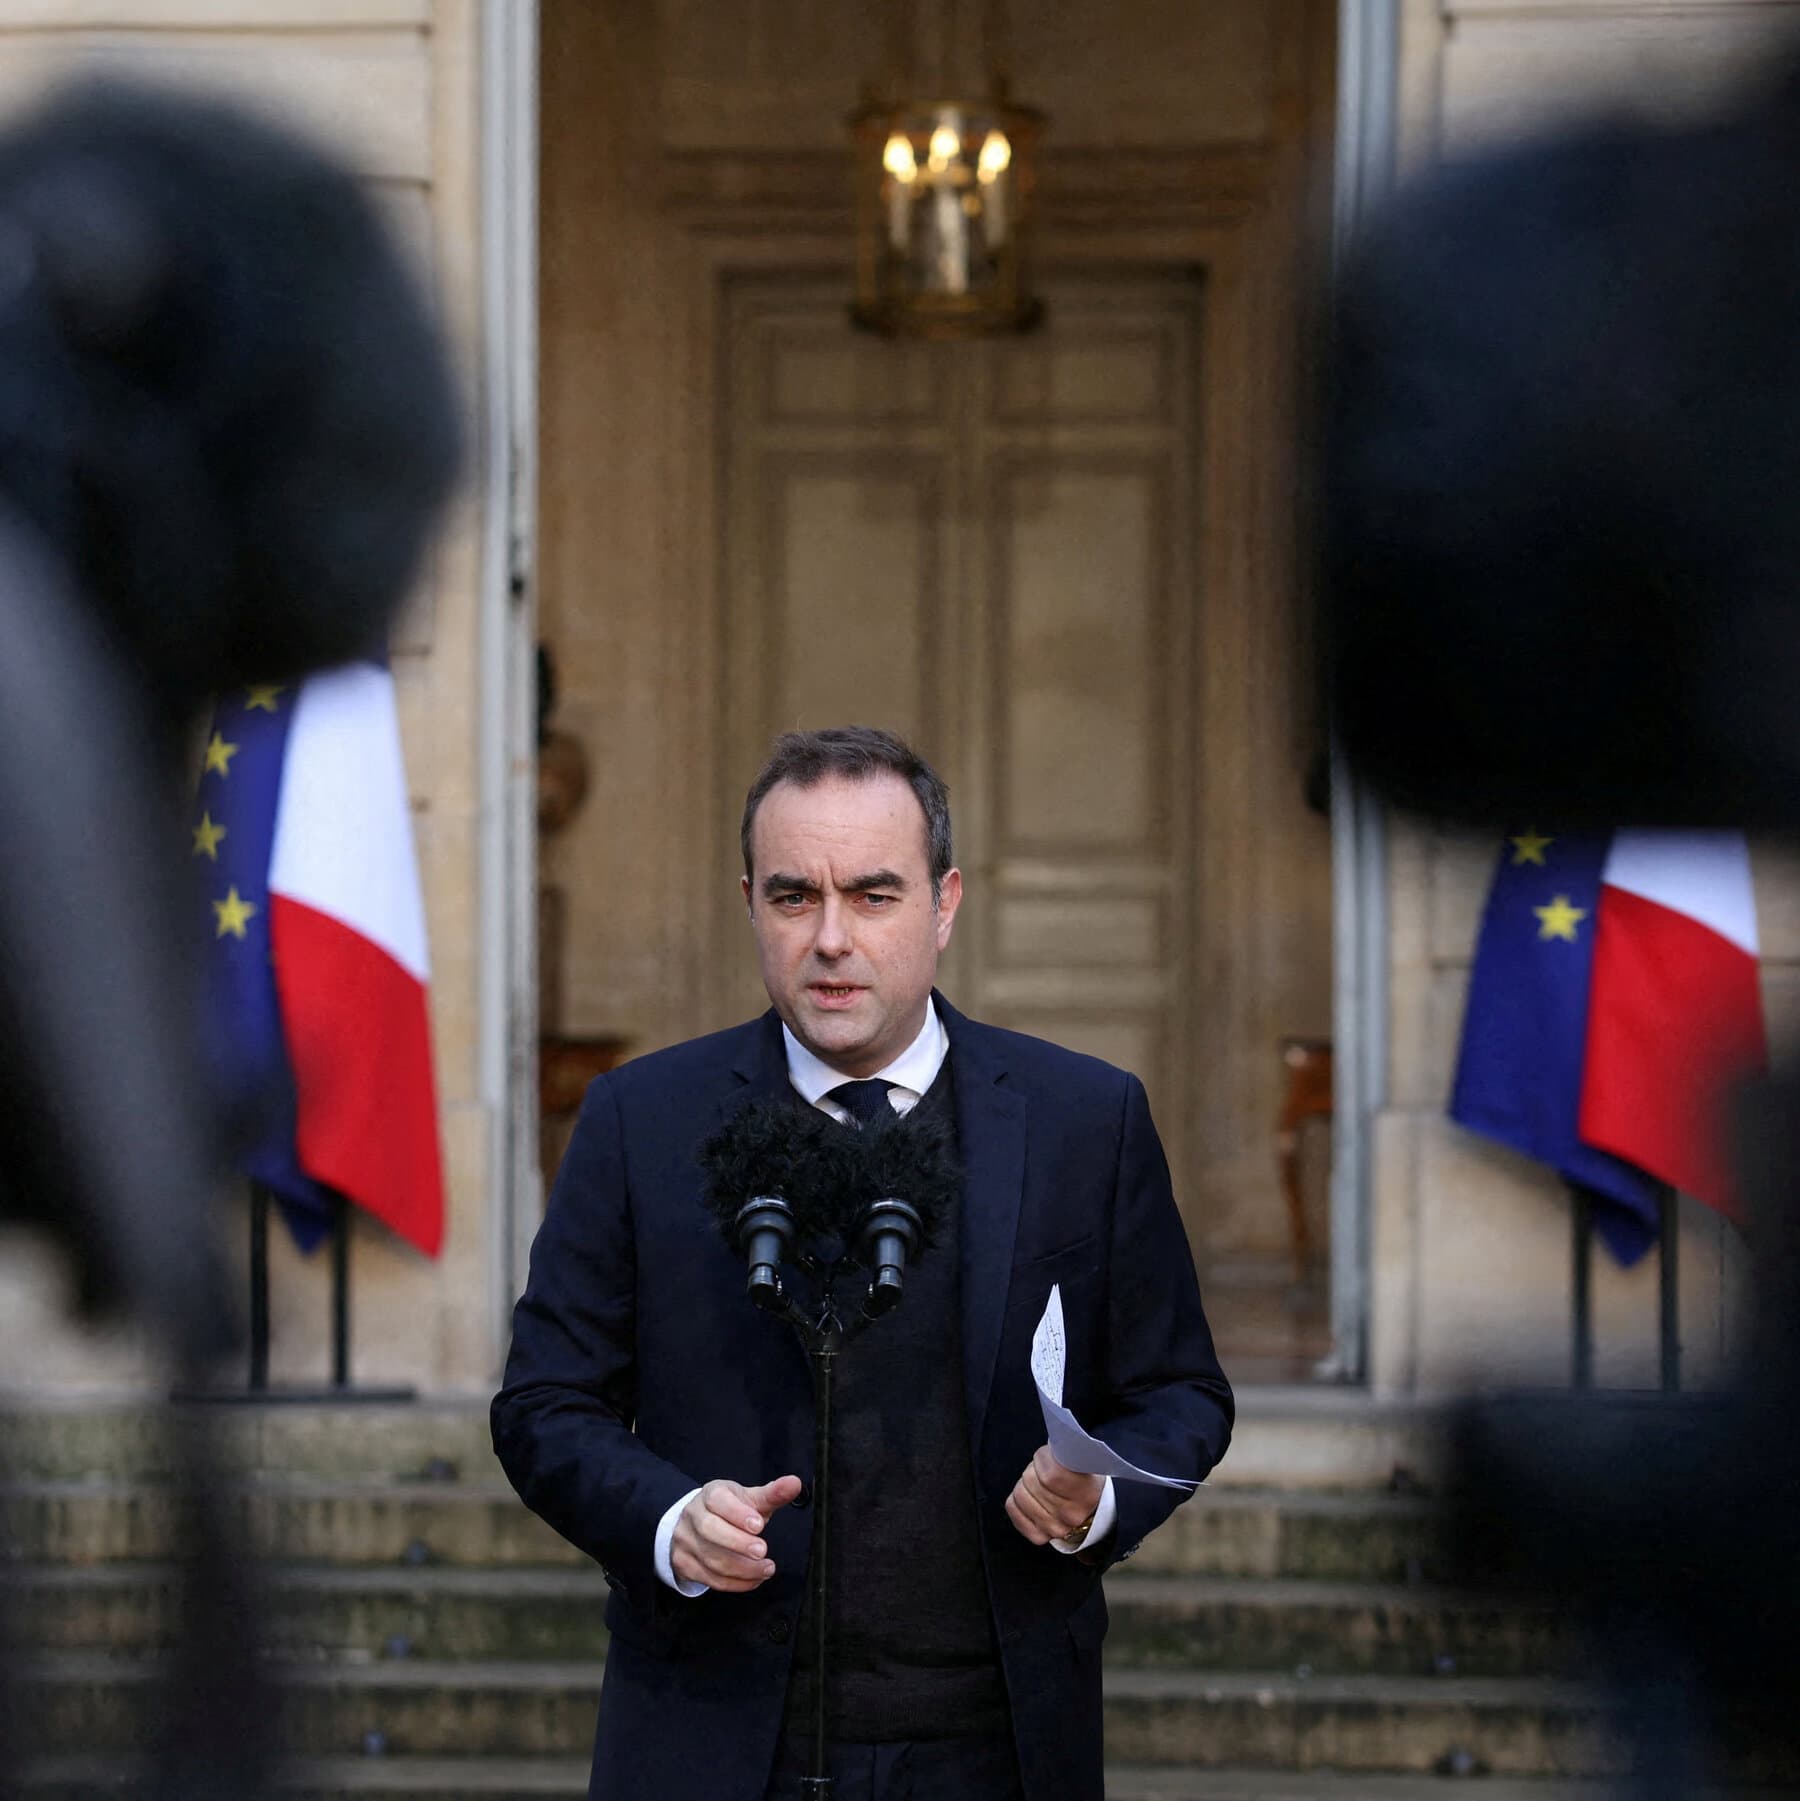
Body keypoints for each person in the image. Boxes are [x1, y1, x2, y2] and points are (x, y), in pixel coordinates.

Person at [492, 726, 1233, 1801]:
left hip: (1000, 1746)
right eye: (795, 896)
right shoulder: (639, 1121)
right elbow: (545, 1406)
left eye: (874, 896)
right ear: (750, 902)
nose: (831, 937)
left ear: (944, 904)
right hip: (716, 1738)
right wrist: (667, 1519)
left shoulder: (1087, 1118)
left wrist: (1096, 1495)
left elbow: (1181, 1392)